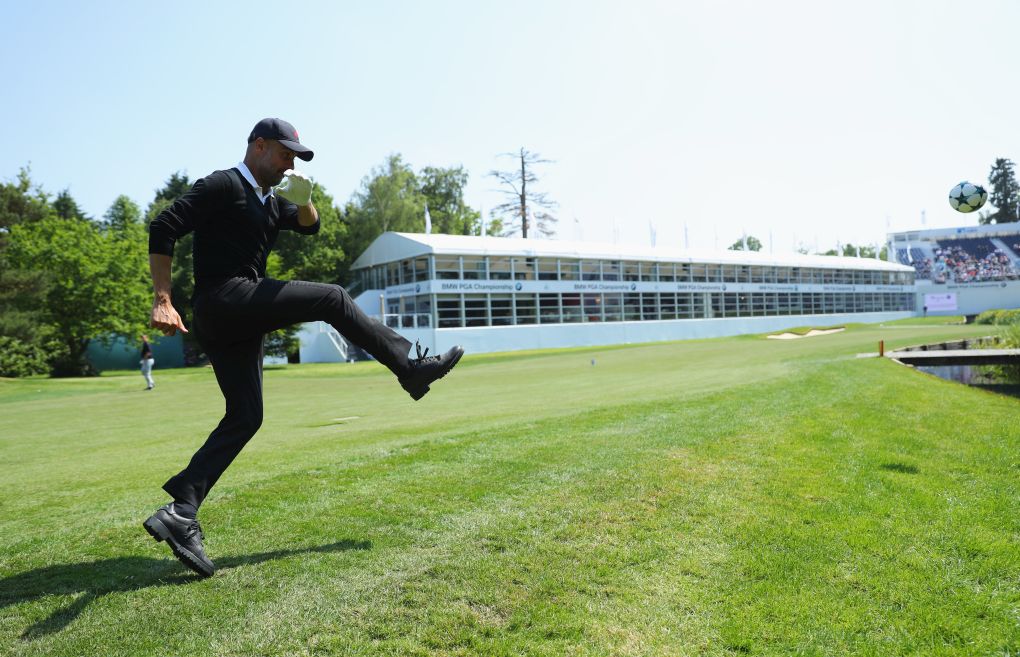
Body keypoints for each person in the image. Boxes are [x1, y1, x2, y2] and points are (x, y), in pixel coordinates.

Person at [142, 118, 463, 577]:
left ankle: (181, 512)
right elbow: (164, 224)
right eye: (284, 153)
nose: (290, 162)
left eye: (296, 156)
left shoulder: (271, 202)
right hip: (223, 298)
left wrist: (306, 201)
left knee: (246, 416)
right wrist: (163, 299)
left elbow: (309, 227)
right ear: (258, 145)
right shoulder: (223, 184)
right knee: (330, 296)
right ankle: (408, 367)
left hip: (237, 316)